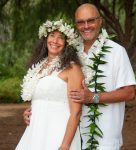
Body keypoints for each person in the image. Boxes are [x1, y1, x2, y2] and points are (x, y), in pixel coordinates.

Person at [23, 3, 136, 150]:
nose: (86, 26)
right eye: (81, 22)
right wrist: (35, 111)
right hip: (73, 135)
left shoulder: (116, 52)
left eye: (91, 21)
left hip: (104, 138)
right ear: (76, 25)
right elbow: (54, 87)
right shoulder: (69, 52)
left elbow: (130, 92)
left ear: (100, 21)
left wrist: (93, 97)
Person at [16, 19, 84, 150]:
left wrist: (65, 145)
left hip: (58, 133)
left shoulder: (72, 68)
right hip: (35, 131)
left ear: (66, 43)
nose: (55, 41)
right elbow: (41, 98)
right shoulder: (38, 67)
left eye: (60, 38)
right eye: (52, 35)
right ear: (45, 39)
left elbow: (76, 112)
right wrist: (30, 112)